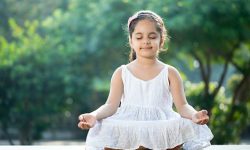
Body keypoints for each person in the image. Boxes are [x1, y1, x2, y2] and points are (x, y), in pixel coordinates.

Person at [78, 10, 213, 150]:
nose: (146, 41)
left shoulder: (170, 72)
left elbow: (183, 106)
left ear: (161, 40)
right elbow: (110, 105)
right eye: (139, 37)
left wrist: (194, 115)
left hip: (160, 124)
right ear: (131, 41)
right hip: (129, 124)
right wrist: (94, 115)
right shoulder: (122, 72)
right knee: (102, 124)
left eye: (152, 36)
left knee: (188, 123)